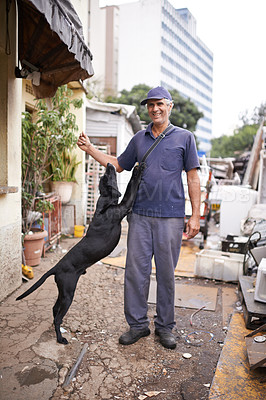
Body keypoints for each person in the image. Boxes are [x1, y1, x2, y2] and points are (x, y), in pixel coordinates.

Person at [77, 86, 201, 349]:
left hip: (171, 217)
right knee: (136, 273)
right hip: (140, 216)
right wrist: (90, 149)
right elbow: (117, 164)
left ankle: (165, 327)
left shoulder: (185, 138)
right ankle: (137, 325)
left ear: (170, 106)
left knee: (166, 274)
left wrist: (195, 215)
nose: (155, 108)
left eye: (160, 104)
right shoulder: (139, 139)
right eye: (150, 104)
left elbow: (192, 177)